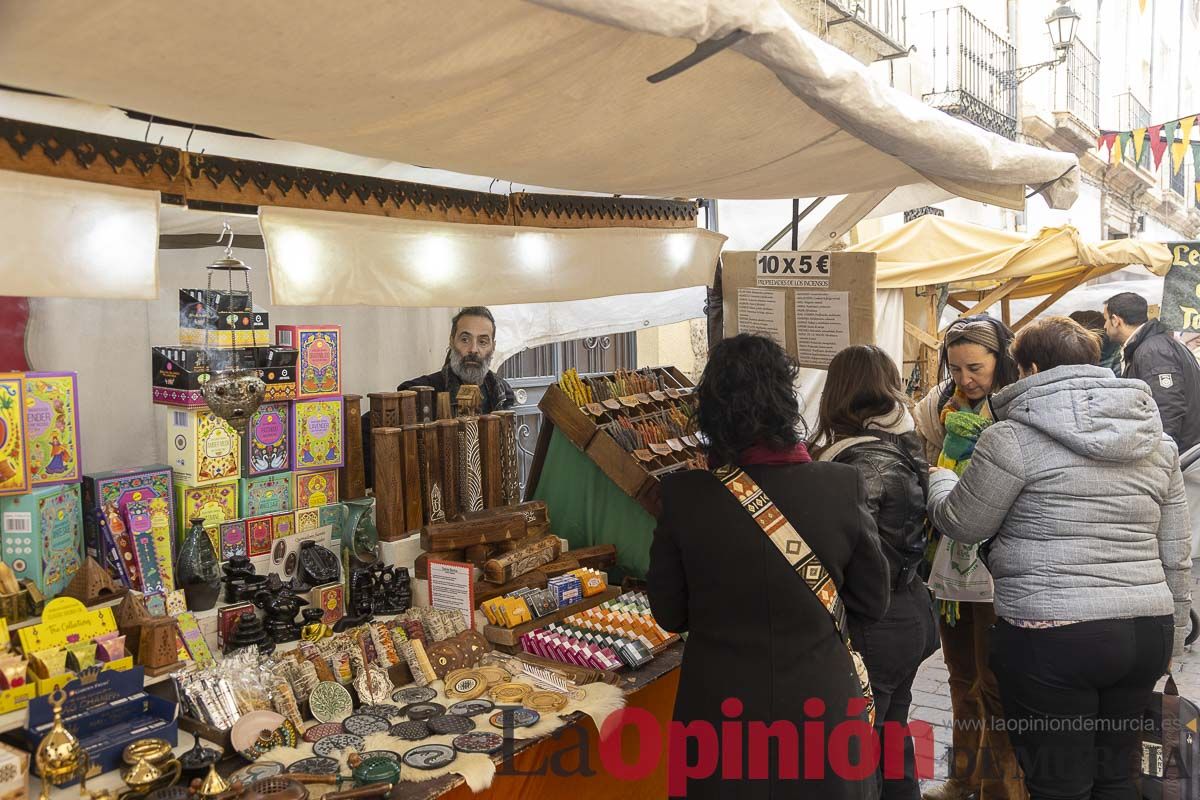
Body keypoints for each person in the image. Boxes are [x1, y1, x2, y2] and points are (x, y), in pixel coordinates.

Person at [925, 316, 1190, 799]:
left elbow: (964, 523)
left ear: (1026, 368)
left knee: (1057, 785)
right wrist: (1172, 639)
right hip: (1144, 631)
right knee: (1116, 780)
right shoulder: (1158, 443)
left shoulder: (1010, 439)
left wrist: (939, 481)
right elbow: (1177, 552)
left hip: (1052, 637)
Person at [648, 334, 891, 799]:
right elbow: (872, 602)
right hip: (821, 711)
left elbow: (669, 613)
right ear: (786, 399)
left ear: (712, 410)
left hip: (719, 716)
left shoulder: (684, 497)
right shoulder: (841, 486)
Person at [814, 345, 940, 800]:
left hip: (878, 618)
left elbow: (855, 548)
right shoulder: (901, 442)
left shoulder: (859, 461)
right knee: (891, 732)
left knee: (862, 747)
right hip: (907, 609)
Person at [911, 314, 1025, 800]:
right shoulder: (936, 406)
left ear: (1003, 360)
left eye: (975, 368)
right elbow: (920, 465)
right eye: (955, 369)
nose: (965, 380)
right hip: (950, 560)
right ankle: (964, 778)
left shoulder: (1019, 409)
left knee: (994, 684)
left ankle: (999, 790)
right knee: (961, 677)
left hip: (1001, 566)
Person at [362, 306, 515, 487]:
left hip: (492, 501)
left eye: (483, 342)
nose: (473, 349)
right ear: (452, 341)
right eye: (465, 339)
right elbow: (370, 437)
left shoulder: (503, 393)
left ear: (493, 347)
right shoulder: (419, 393)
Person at [1103, 292, 1200, 452]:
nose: (1104, 326)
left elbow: (1168, 409)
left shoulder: (1153, 351)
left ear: (1116, 320)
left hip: (1181, 457)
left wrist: (1162, 457)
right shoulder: (1152, 346)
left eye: (1105, 319)